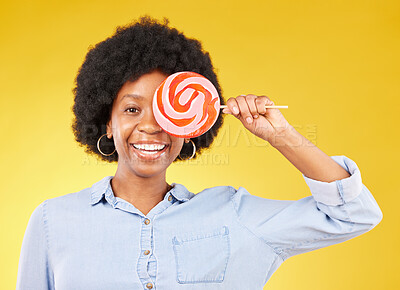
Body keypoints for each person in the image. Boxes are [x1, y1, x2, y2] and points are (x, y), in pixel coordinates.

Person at [16, 16, 383, 290]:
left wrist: (281, 135)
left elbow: (354, 215)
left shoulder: (233, 214)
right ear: (106, 122)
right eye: (131, 109)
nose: (150, 126)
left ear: (190, 126)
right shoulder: (53, 221)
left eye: (165, 111)